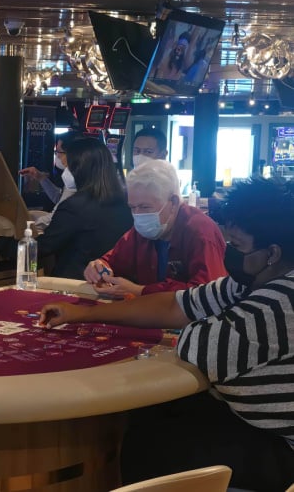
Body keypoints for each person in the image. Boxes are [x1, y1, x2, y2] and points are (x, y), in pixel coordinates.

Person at [38, 177, 294, 491]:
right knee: (156, 416)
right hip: (246, 423)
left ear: (272, 253)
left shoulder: (278, 303)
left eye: (237, 246)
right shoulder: (252, 280)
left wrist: (197, 323)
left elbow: (200, 344)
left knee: (149, 442)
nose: (230, 253)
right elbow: (178, 305)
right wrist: (86, 313)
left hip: (278, 447)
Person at [0, 138, 133, 278]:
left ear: (81, 169)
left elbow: (41, 248)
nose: (66, 171)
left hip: (76, 286)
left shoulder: (75, 206)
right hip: (110, 283)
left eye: (70, 166)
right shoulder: (125, 203)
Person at [84, 159, 226, 297]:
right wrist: (98, 268)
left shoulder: (201, 232)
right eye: (133, 207)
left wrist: (140, 291)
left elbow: (208, 294)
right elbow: (112, 261)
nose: (138, 215)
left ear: (174, 202)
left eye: (145, 207)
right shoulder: (142, 231)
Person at [19, 131, 77, 232]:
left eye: (59, 152)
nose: (57, 156)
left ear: (73, 154)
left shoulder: (74, 178)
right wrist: (41, 178)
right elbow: (60, 198)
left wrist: (25, 227)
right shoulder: (74, 176)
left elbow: (55, 217)